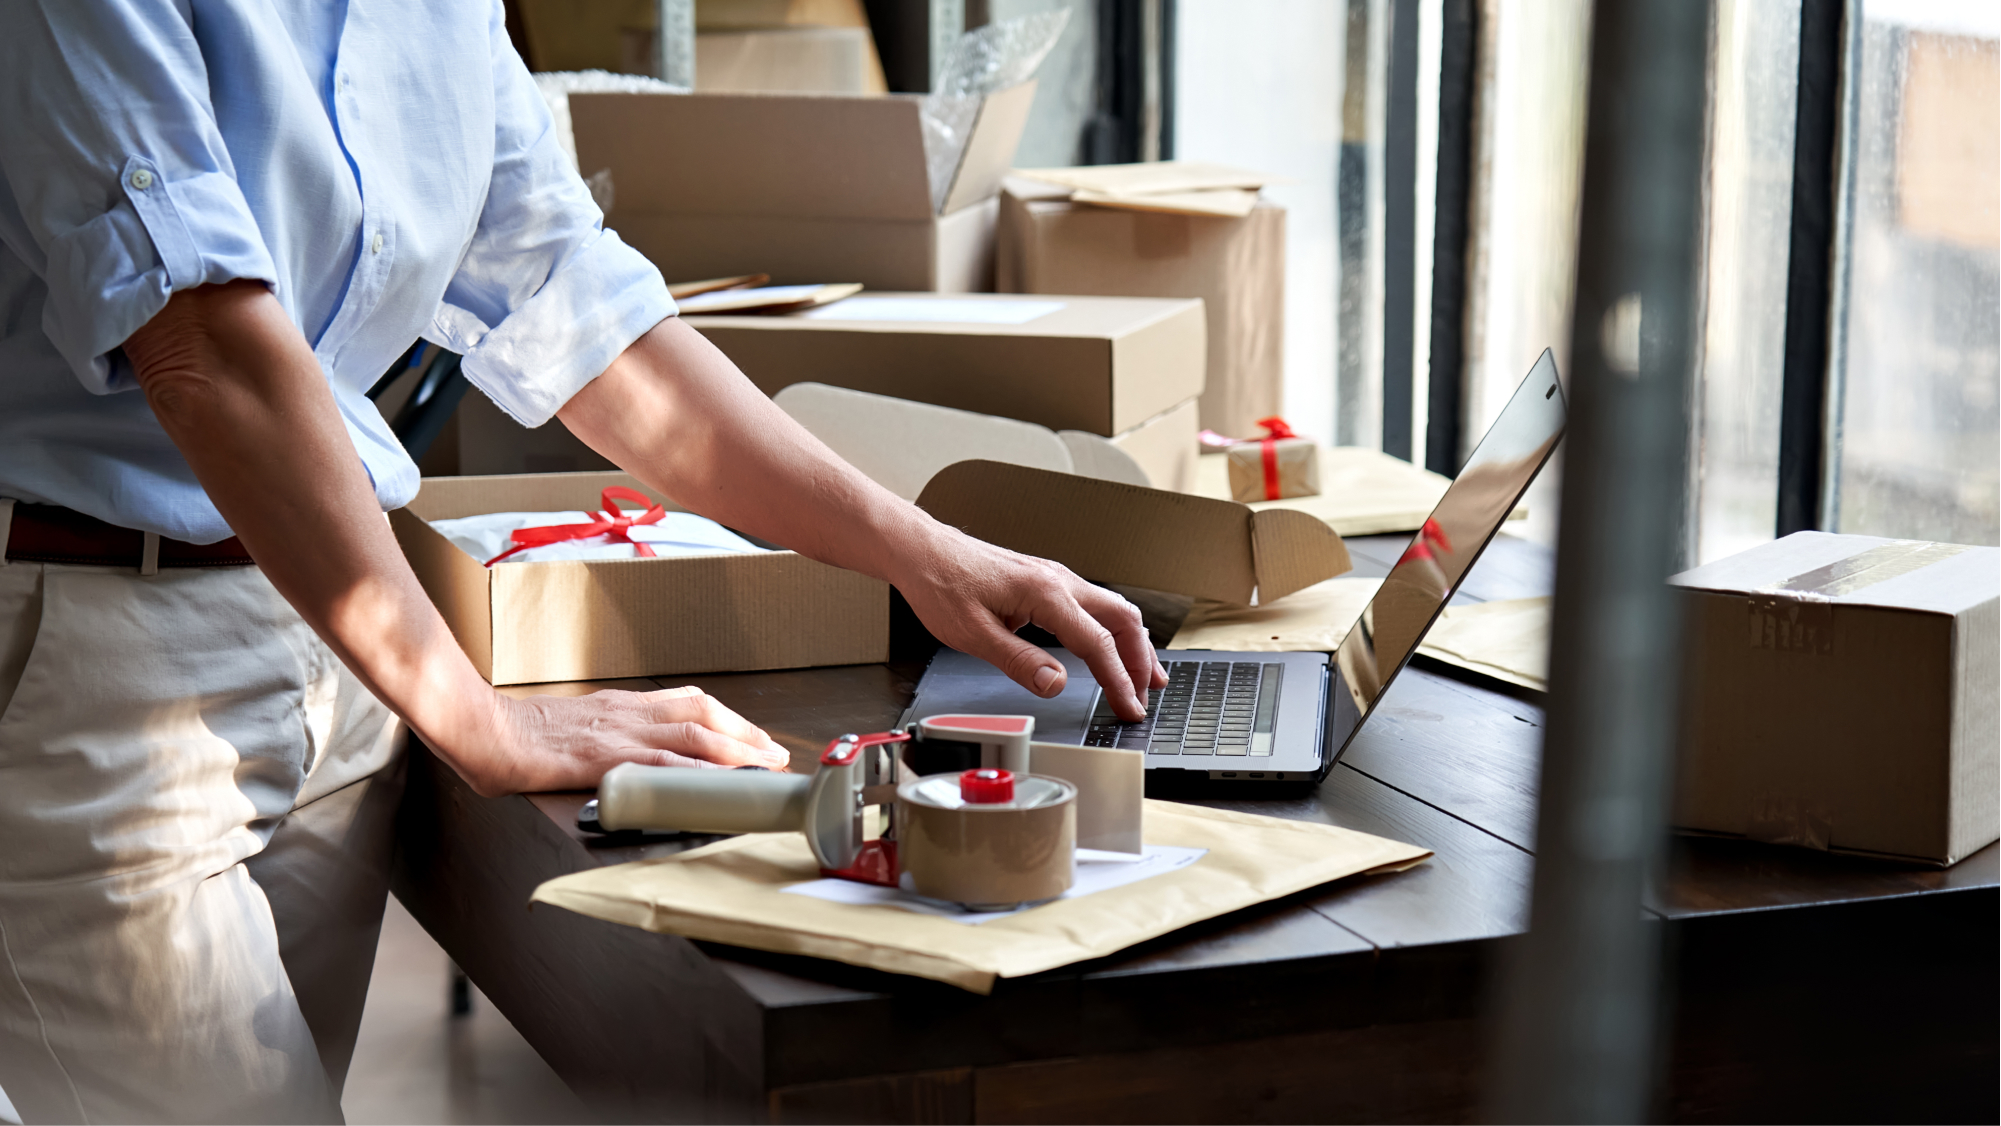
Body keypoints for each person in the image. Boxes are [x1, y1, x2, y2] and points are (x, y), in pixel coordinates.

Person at [0, 4, 1163, 1121]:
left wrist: (921, 551)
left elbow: (580, 307)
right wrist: (482, 717)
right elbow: (203, 342)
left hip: (325, 641)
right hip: (99, 656)